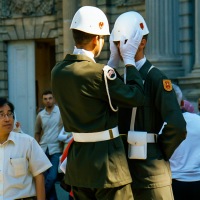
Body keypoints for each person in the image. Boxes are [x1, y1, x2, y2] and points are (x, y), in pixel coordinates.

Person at [51, 6, 145, 200]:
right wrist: (128, 62)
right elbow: (136, 96)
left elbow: (90, 91)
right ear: (97, 39)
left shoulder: (57, 72)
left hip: (79, 165)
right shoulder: (101, 73)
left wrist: (109, 66)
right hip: (108, 165)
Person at [110, 11, 187, 200]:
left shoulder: (156, 78)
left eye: (125, 41)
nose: (121, 47)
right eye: (118, 42)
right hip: (123, 172)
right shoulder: (119, 79)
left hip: (150, 174)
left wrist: (156, 149)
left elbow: (177, 126)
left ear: (142, 42)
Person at [0, 97, 52, 199]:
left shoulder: (27, 142)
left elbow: (39, 176)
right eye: (1, 115)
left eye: (10, 114)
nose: (7, 119)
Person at [167, 84, 200, 200]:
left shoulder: (161, 125)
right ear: (182, 102)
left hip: (172, 183)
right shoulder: (198, 121)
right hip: (197, 180)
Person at [34, 89, 63, 200]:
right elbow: (37, 132)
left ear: (54, 99)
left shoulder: (60, 112)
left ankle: (39, 196)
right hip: (43, 150)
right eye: (45, 99)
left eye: (50, 98)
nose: (48, 101)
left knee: (52, 177)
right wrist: (35, 149)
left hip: (56, 149)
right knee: (45, 177)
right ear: (42, 100)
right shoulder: (40, 115)